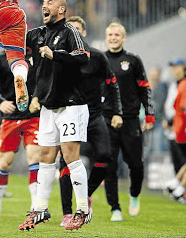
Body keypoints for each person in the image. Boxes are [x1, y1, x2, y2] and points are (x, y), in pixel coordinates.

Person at [19, 0, 91, 232]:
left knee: (70, 156)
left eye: (50, 2)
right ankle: (40, 209)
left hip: (72, 104)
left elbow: (84, 56)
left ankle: (82, 210)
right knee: (45, 156)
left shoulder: (70, 31)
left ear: (62, 9)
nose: (44, 5)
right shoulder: (37, 34)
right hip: (49, 106)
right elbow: (14, 41)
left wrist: (56, 54)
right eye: (44, 2)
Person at [58, 16, 122, 226]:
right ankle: (67, 211)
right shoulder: (60, 58)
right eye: (70, 31)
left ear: (83, 33)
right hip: (69, 114)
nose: (73, 34)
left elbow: (112, 84)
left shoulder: (96, 56)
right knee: (66, 162)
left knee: (105, 155)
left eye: (77, 30)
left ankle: (85, 195)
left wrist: (116, 112)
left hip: (94, 115)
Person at [103, 22, 155, 222]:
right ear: (107, 37)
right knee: (109, 165)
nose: (114, 37)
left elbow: (145, 89)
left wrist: (149, 114)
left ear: (123, 38)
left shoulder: (133, 61)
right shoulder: (101, 59)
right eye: (110, 34)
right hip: (107, 120)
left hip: (131, 120)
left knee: (136, 164)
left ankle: (134, 195)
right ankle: (115, 208)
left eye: (117, 34)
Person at [0, 46, 40, 223]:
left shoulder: (35, 57)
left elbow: (44, 80)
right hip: (10, 117)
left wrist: (38, 98)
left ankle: (35, 208)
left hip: (33, 117)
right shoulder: (1, 59)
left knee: (34, 157)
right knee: (5, 163)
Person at [165, 60, 186, 204]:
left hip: (182, 128)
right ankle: (179, 190)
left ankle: (173, 184)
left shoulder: (182, 84)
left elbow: (175, 104)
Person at [163, 58, 186, 174]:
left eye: (177, 66)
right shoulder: (173, 85)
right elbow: (168, 106)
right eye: (173, 67)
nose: (174, 70)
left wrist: (171, 121)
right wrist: (166, 121)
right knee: (176, 162)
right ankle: (183, 189)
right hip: (172, 130)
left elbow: (185, 108)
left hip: (183, 129)